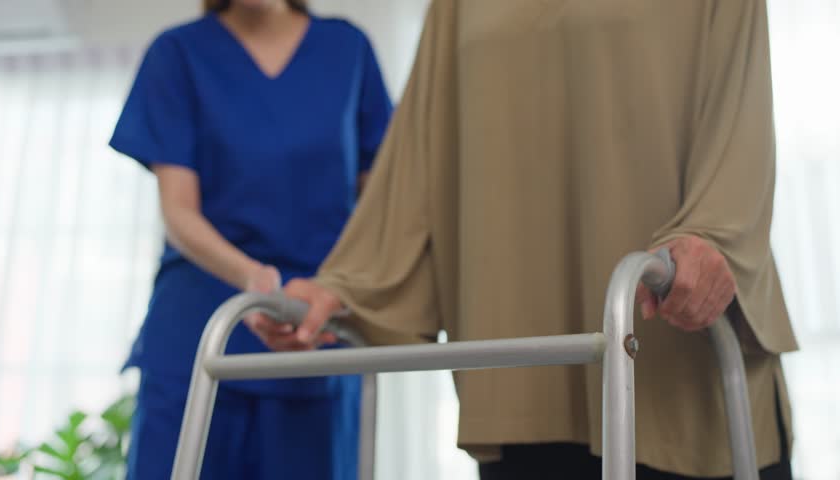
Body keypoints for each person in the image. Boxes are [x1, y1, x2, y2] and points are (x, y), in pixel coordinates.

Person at [247, 1, 798, 479]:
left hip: (673, 369)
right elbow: (416, 164)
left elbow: (740, 116)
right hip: (522, 374)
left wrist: (711, 236)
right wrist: (347, 285)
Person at [108, 0, 392, 477]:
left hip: (313, 330)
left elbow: (381, 204)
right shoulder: (177, 53)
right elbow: (178, 209)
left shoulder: (348, 50)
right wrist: (259, 283)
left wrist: (339, 289)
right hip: (201, 328)